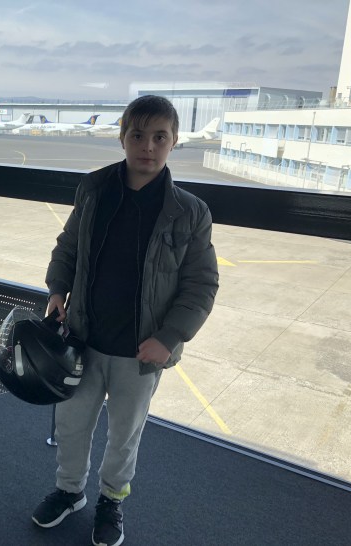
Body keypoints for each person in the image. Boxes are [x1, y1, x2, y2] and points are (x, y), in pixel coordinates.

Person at [32, 95, 219, 546]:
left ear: (174, 141)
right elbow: (68, 246)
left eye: (159, 137)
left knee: (124, 433)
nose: (147, 146)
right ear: (122, 138)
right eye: (137, 135)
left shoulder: (190, 212)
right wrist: (57, 289)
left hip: (142, 350)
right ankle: (69, 490)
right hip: (83, 338)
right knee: (71, 424)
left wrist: (169, 338)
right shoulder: (94, 190)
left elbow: (202, 285)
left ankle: (111, 499)